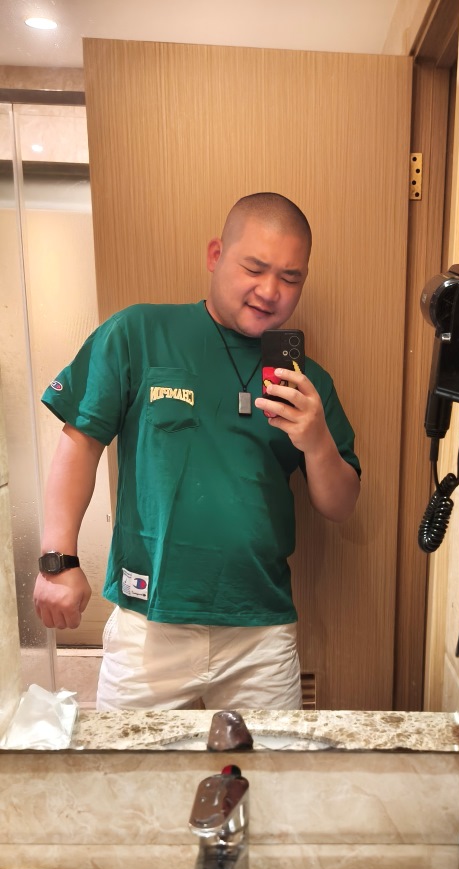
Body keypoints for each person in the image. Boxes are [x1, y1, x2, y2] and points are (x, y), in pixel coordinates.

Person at [33, 193, 361, 710]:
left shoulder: (305, 381)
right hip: (148, 625)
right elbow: (80, 442)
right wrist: (58, 561)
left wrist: (317, 439)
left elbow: (341, 505)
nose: (270, 291)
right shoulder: (139, 333)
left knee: (271, 762)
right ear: (216, 255)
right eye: (254, 268)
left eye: (290, 278)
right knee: (128, 762)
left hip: (260, 632)